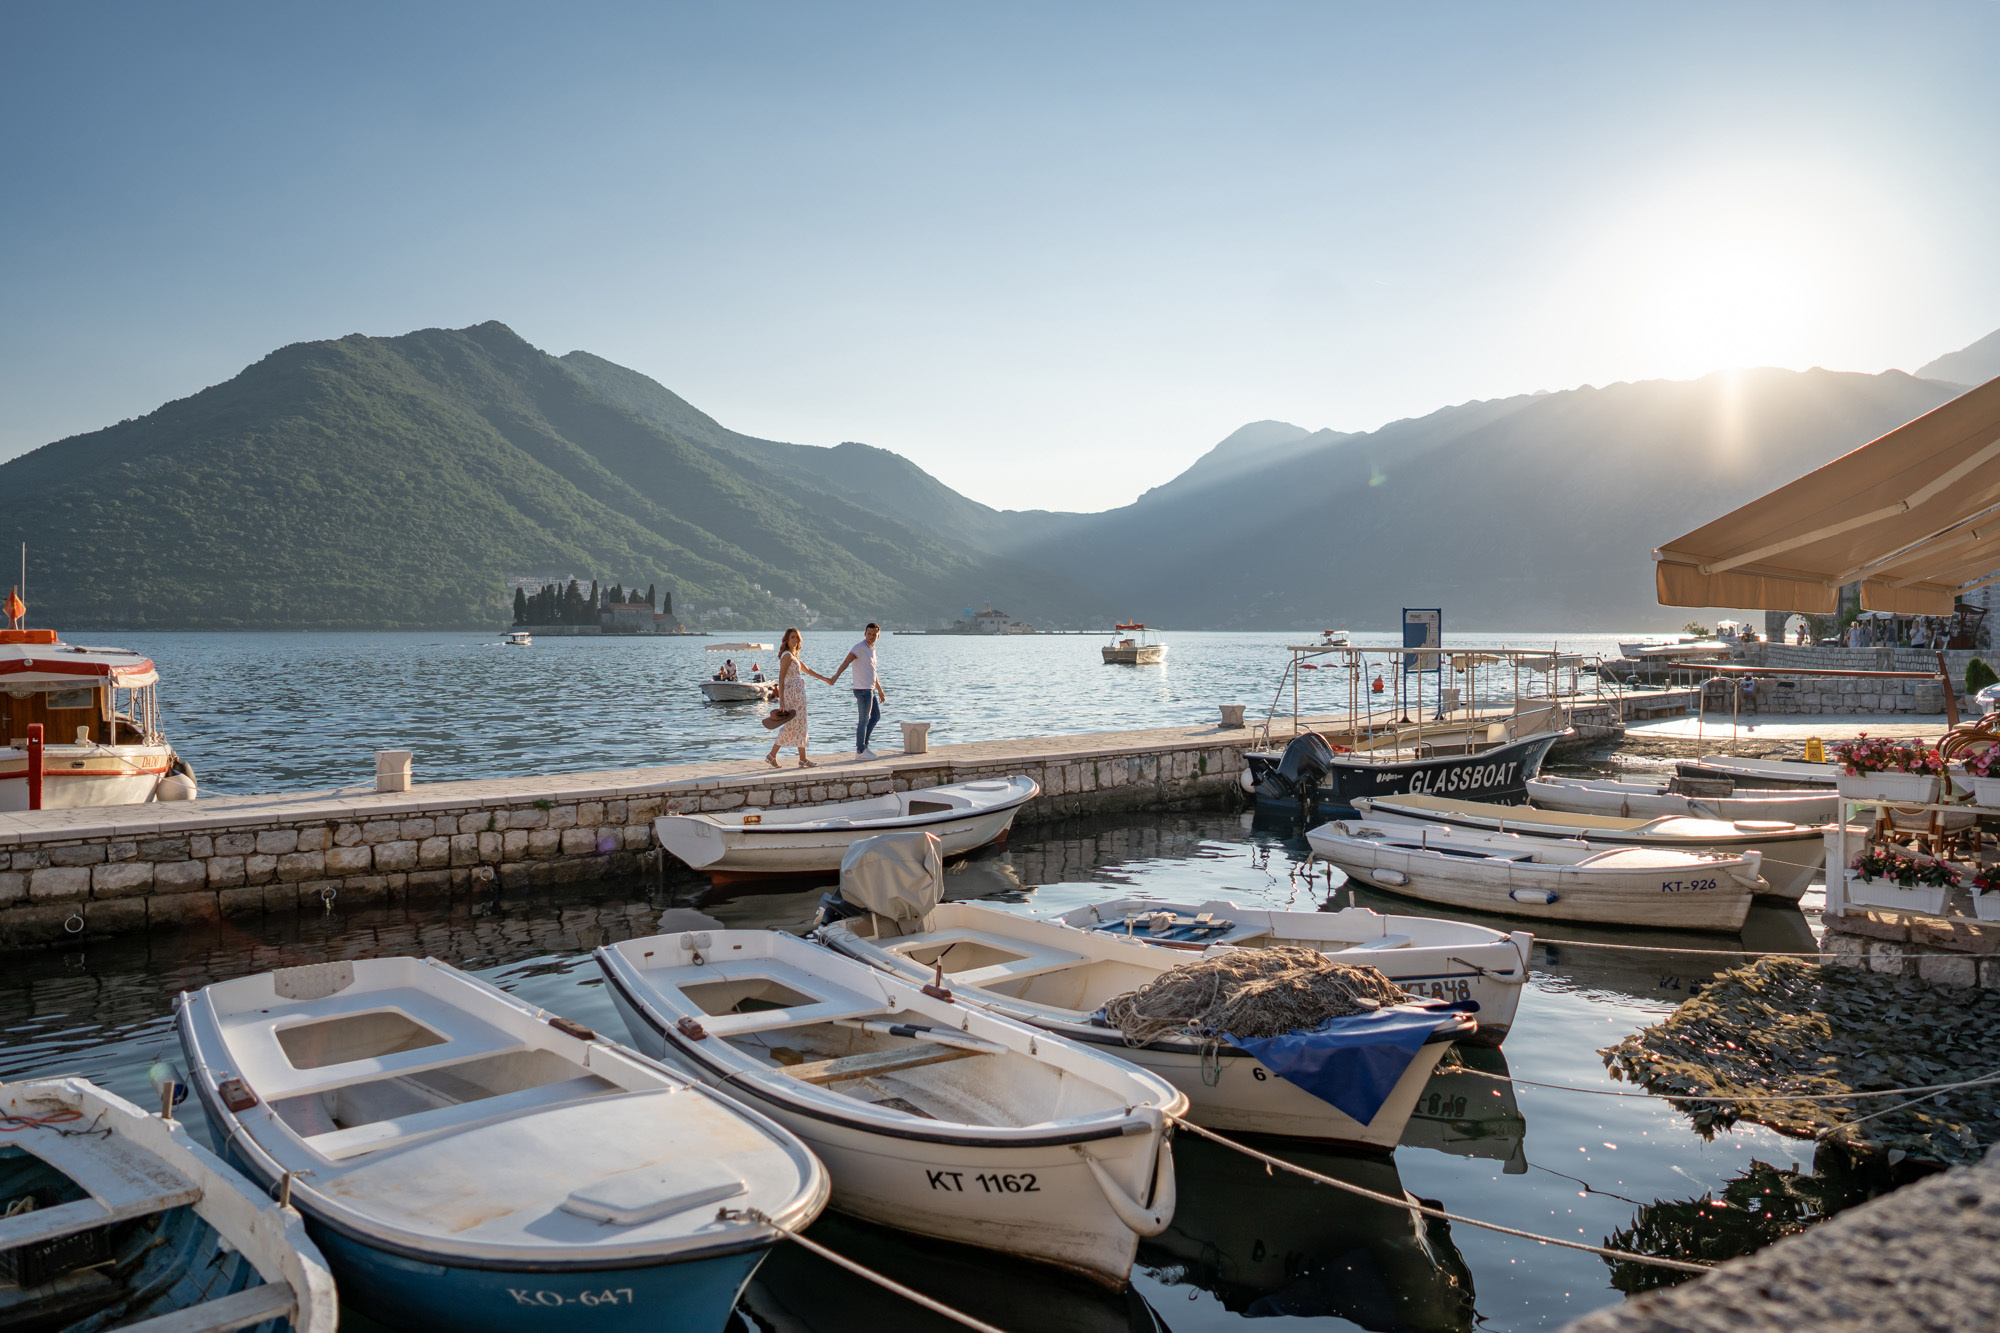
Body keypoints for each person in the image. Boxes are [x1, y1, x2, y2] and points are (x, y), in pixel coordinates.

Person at [765, 628, 828, 769]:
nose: (795, 640)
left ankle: (801, 759)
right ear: (787, 639)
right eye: (793, 637)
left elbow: (808, 670)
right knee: (791, 725)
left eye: (797, 638)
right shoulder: (787, 656)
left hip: (798, 695)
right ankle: (774, 755)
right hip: (792, 696)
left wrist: (826, 679)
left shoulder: (794, 655)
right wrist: (781, 701)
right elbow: (781, 679)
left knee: (800, 725)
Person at [829, 622, 887, 759]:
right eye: (869, 634)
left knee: (876, 717)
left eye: (874, 635)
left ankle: (864, 746)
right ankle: (860, 751)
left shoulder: (872, 649)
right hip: (862, 690)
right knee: (863, 720)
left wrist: (880, 690)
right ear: (865, 634)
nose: (871, 636)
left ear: (878, 636)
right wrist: (835, 676)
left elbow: (873, 672)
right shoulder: (859, 648)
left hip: (870, 689)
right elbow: (846, 662)